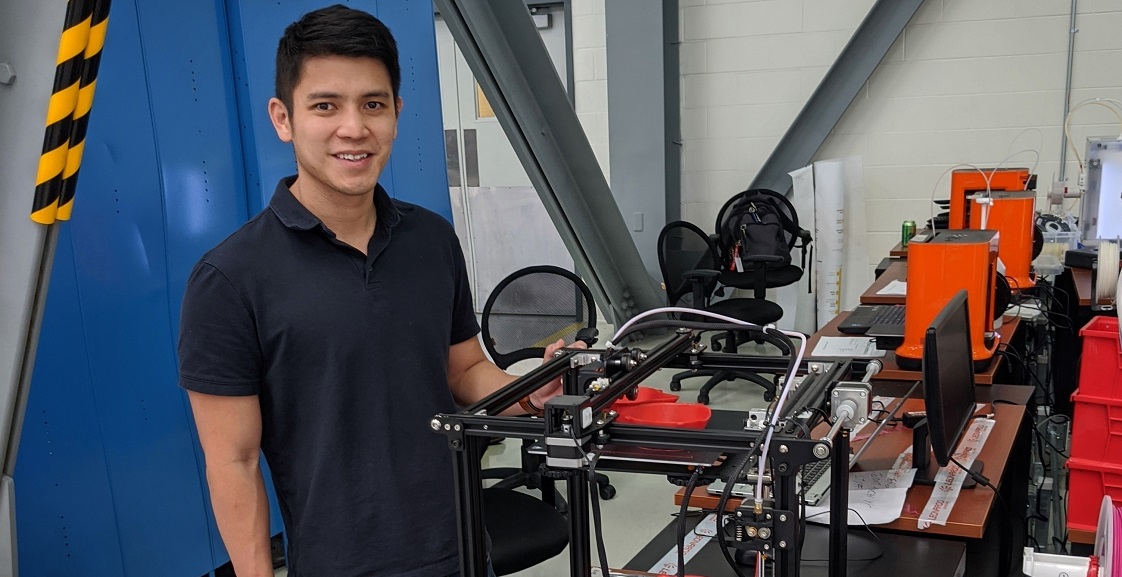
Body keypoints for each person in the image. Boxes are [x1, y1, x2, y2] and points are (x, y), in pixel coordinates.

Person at [177, 5, 578, 576]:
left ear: (396, 113)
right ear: (282, 118)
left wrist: (530, 391)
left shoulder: (431, 239)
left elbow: (462, 371)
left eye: (373, 104)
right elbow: (233, 461)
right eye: (325, 105)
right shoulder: (230, 278)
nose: (354, 128)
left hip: (463, 550)